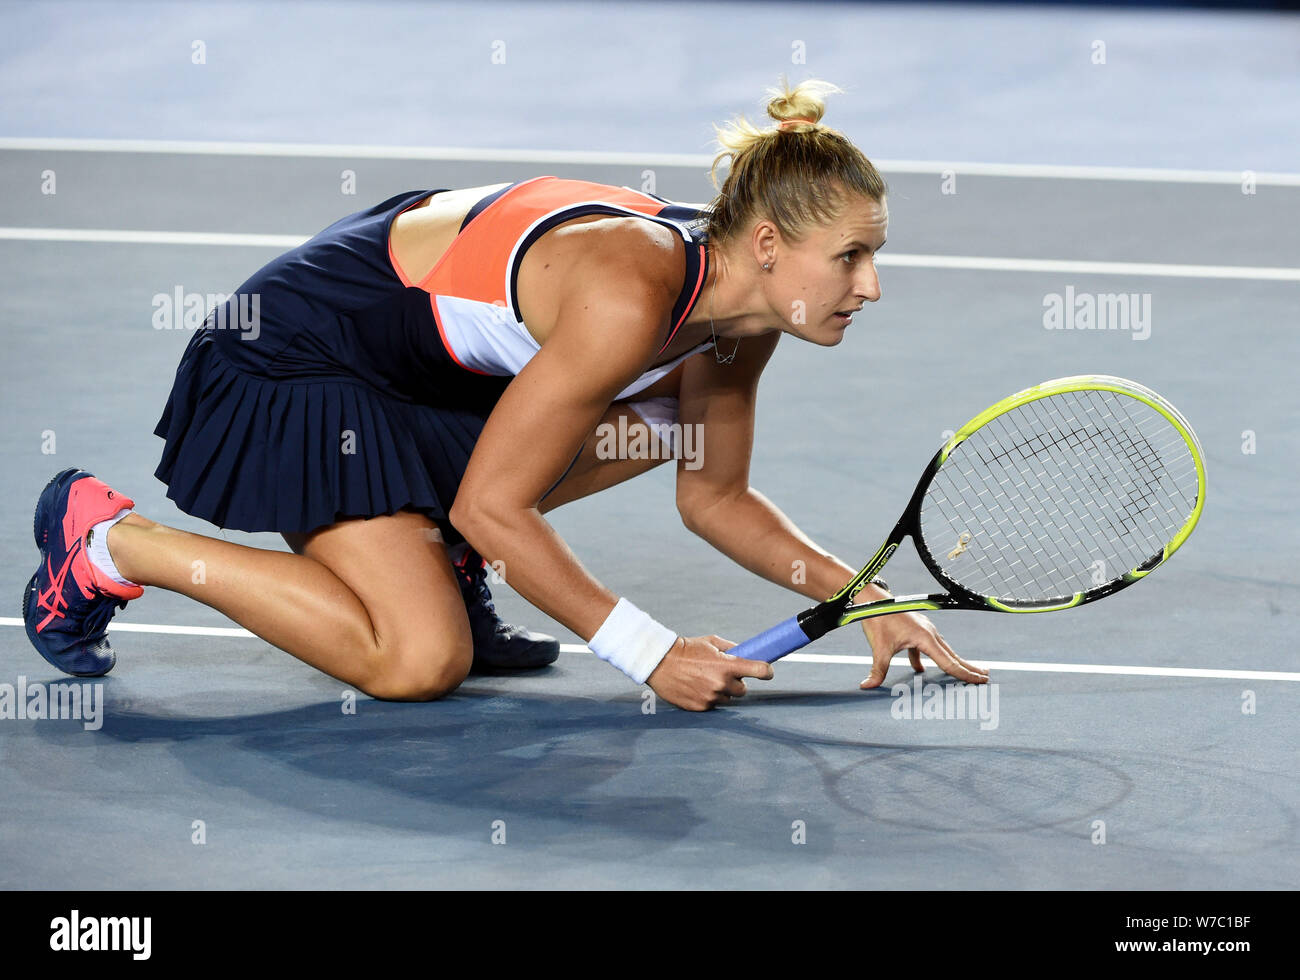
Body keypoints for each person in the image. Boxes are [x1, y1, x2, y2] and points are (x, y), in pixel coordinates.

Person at [24, 77, 989, 711]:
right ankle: (109, 545)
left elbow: (716, 496)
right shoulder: (628, 291)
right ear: (770, 244)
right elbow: (498, 502)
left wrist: (862, 598)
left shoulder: (740, 318)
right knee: (416, 661)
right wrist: (649, 652)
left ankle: (435, 557)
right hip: (295, 362)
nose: (871, 286)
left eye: (875, 255)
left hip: (416, 379)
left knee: (665, 429)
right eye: (852, 257)